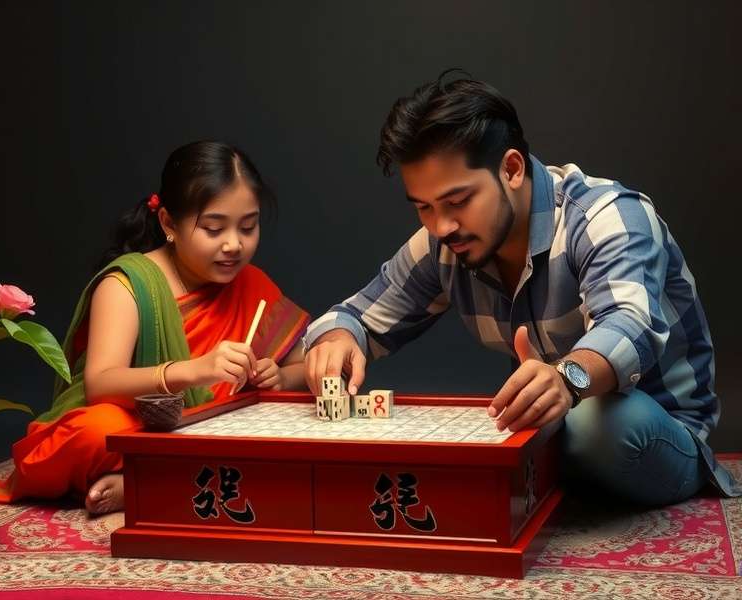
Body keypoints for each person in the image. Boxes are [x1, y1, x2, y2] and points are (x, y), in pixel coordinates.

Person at [303, 71, 740, 504]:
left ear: (511, 169)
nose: (441, 225)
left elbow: (631, 326)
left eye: (458, 201)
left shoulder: (605, 216)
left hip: (655, 429)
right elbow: (356, 315)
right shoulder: (446, 242)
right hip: (556, 426)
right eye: (423, 207)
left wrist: (565, 379)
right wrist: (337, 336)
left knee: (594, 424)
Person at [0, 140, 310, 514]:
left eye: (248, 227)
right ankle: (163, 481)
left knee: (294, 420)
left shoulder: (251, 284)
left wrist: (279, 380)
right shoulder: (129, 285)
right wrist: (194, 371)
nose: (234, 245)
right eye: (213, 228)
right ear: (170, 223)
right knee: (97, 432)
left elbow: (302, 368)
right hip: (147, 426)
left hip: (221, 431)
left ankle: (145, 485)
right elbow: (101, 384)